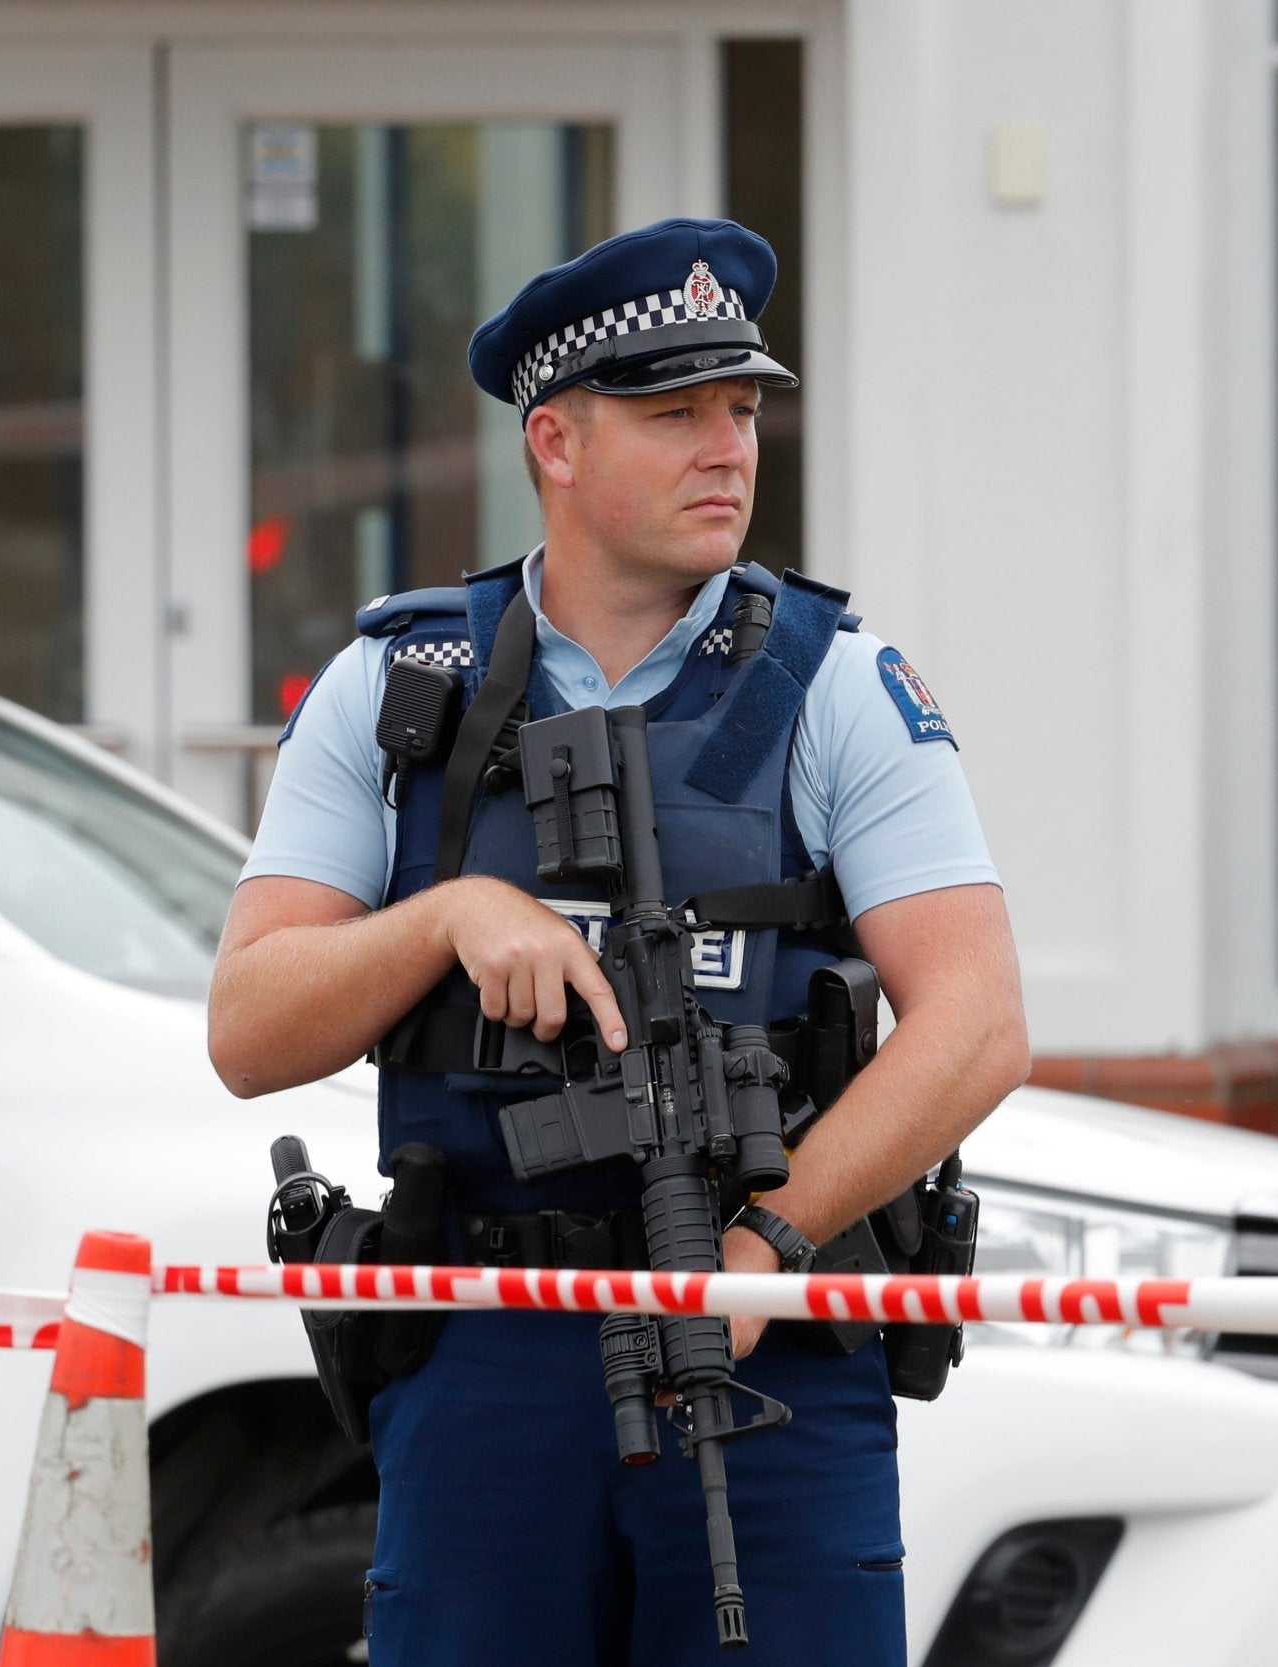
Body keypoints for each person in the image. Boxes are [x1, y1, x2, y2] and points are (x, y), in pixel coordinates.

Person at [207, 216, 1029, 1666]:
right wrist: (450, 917)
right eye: (675, 415)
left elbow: (977, 1022)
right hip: (486, 1348)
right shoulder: (396, 688)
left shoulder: (835, 685)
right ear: (557, 445)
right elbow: (251, 1030)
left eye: (743, 408)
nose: (730, 448)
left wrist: (771, 1239)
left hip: (763, 1345)